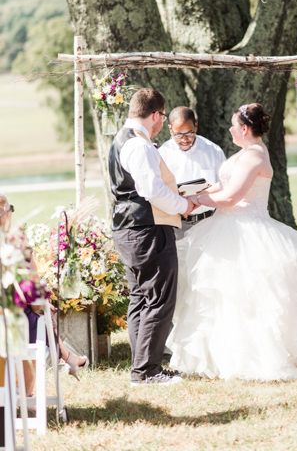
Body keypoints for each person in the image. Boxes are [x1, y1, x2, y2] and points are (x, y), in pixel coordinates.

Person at [168, 103, 297, 380]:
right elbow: (220, 187)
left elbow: (232, 197)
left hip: (247, 230)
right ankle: (220, 355)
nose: (230, 129)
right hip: (225, 227)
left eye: (234, 125)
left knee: (250, 297)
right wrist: (194, 191)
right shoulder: (245, 153)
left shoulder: (256, 156)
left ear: (244, 129)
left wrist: (194, 200)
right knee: (222, 296)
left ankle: (256, 358)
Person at [109, 88, 198, 387]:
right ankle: (147, 371)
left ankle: (142, 367)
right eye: (162, 117)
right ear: (157, 116)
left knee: (140, 297)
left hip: (127, 229)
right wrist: (184, 205)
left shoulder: (121, 139)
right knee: (158, 297)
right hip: (146, 230)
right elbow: (153, 192)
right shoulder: (140, 146)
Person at [0, 194, 87, 392]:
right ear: (5, 216)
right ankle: (29, 396)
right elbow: (34, 302)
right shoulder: (18, 254)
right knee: (39, 320)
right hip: (11, 328)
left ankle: (67, 357)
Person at [159, 107, 227, 238]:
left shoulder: (213, 151)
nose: (184, 139)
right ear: (170, 129)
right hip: (176, 224)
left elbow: (225, 184)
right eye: (178, 135)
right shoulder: (162, 154)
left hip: (209, 222)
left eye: (189, 133)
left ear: (196, 126)